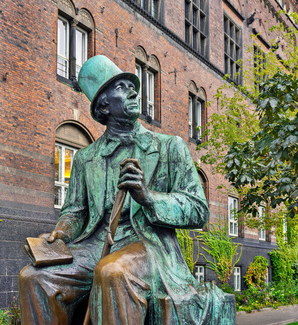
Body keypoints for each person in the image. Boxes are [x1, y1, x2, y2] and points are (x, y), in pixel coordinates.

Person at [19, 55, 235, 325]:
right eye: (121, 87)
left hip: (148, 246)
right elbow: (75, 211)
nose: (134, 91)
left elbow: (198, 210)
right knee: (34, 278)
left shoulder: (170, 147)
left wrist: (148, 198)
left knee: (113, 271)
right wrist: (61, 232)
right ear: (104, 105)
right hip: (93, 245)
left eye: (132, 86)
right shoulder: (86, 158)